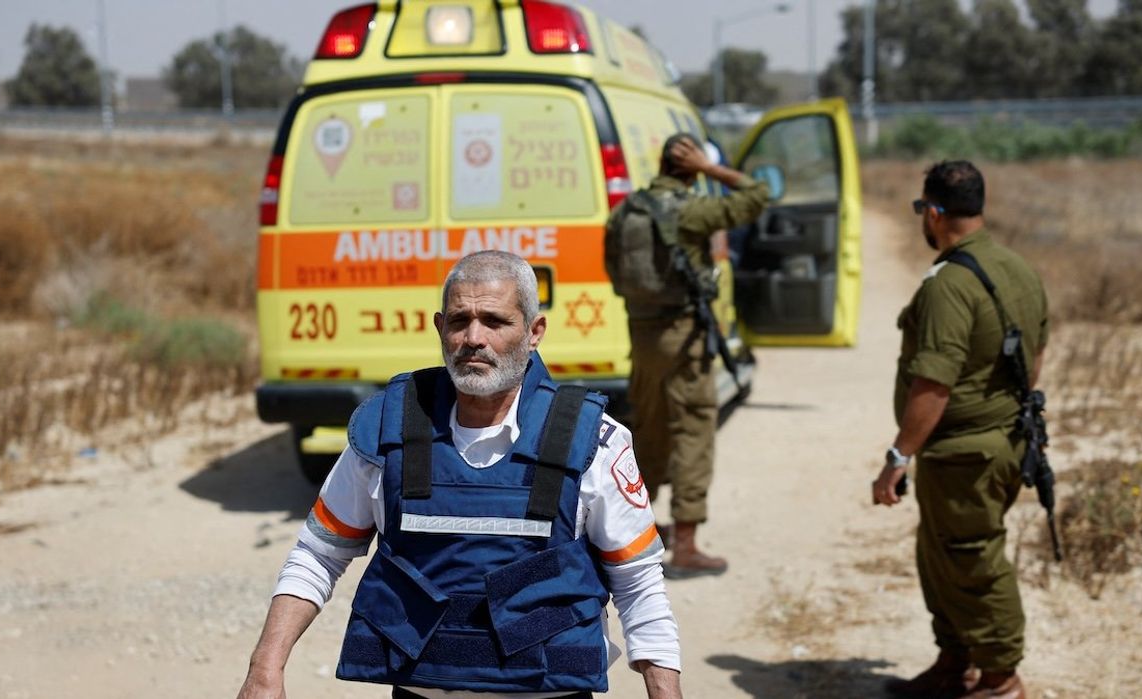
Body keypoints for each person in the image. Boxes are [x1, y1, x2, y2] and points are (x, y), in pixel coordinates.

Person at [237, 251, 682, 699]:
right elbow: (319, 554)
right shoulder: (387, 428)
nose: (473, 337)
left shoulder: (593, 440)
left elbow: (638, 581)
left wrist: (665, 692)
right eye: (458, 320)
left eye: (494, 321)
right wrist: (265, 670)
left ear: (534, 332)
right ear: (439, 328)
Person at [873, 161, 1049, 699]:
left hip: (964, 453)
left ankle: (1000, 680)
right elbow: (1033, 359)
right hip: (997, 443)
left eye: (920, 212)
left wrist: (898, 458)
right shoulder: (1015, 266)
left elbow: (934, 384)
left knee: (974, 561)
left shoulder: (950, 284)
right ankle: (955, 663)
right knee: (942, 555)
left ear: (933, 211)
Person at [607, 133, 769, 579]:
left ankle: (626, 529)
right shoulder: (692, 211)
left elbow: (614, 273)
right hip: (682, 336)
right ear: (691, 166)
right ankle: (687, 545)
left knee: (649, 427)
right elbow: (758, 195)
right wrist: (714, 169)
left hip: (641, 335)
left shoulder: (625, 213)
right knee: (694, 427)